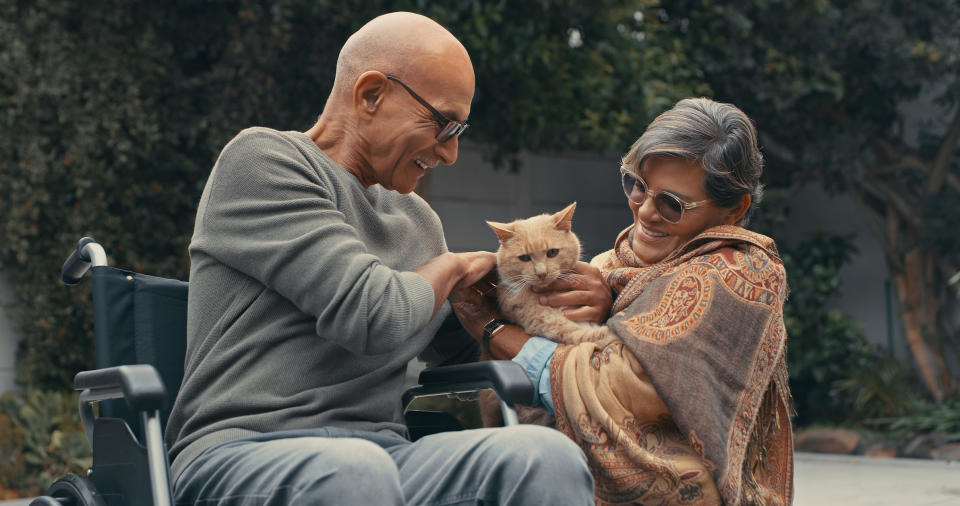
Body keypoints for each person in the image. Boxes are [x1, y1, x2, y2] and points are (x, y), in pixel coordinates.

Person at [164, 12, 599, 505]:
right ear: (371, 94)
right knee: (355, 473)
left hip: (382, 456)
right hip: (242, 450)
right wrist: (453, 267)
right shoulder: (264, 162)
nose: (452, 153)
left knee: (544, 458)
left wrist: (538, 308)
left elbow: (456, 351)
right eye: (444, 124)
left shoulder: (418, 219)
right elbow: (373, 315)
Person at [454, 97, 794, 505]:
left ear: (733, 209)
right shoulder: (608, 267)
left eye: (672, 204)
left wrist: (491, 330)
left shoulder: (738, 271)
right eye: (637, 185)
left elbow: (614, 386)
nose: (645, 212)